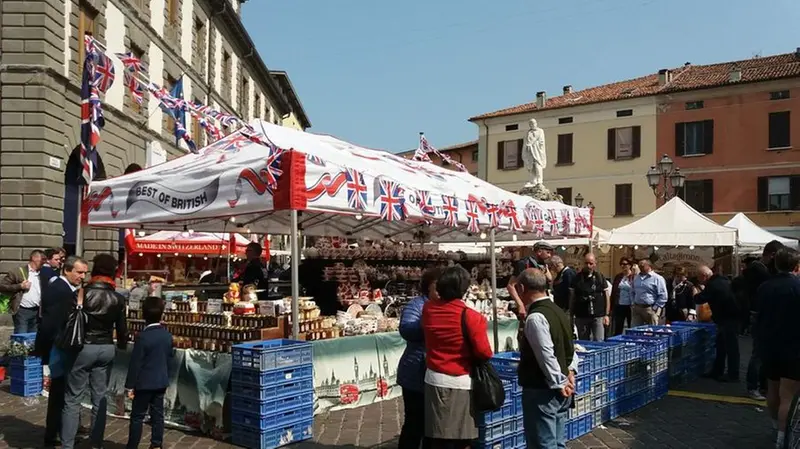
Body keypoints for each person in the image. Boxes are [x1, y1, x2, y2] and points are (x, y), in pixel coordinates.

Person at [61, 254, 129, 449]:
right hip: (106, 347)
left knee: (73, 398)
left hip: (84, 347)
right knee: (100, 397)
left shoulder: (81, 293)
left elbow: (67, 321)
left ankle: (67, 444)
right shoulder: (117, 298)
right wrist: (122, 345)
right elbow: (122, 330)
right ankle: (96, 443)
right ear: (113, 273)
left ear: (94, 270)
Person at [421, 265, 493, 448]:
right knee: (460, 439)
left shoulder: (428, 309)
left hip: (433, 379)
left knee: (436, 436)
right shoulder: (471, 316)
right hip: (460, 380)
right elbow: (484, 352)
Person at [517, 268, 578, 449]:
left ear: (522, 288)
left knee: (543, 443)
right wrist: (570, 373)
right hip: (560, 384)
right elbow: (571, 347)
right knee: (557, 442)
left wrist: (560, 382)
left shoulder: (536, 317)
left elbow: (545, 355)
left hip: (542, 389)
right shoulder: (558, 311)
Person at [35, 256, 88, 447]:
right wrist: (47, 348)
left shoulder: (61, 287)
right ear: (67, 270)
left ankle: (57, 431)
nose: (82, 276)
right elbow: (50, 323)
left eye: (84, 272)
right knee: (60, 392)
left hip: (58, 345)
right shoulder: (61, 290)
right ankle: (55, 434)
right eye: (79, 272)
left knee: (62, 392)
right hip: (60, 347)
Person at [756, 247, 800, 449]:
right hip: (793, 346)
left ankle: (776, 428)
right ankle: (783, 437)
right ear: (796, 266)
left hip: (769, 345)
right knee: (788, 395)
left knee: (773, 389)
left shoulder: (764, 287)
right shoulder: (797, 286)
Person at [397, 267, 440, 449]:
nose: (439, 292)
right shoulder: (417, 305)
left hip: (438, 371)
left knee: (434, 424)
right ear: (427, 288)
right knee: (414, 422)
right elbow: (406, 329)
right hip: (415, 370)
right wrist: (428, 324)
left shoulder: (447, 304)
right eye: (436, 287)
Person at [125, 296, 173, 449]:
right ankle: (157, 444)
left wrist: (130, 385)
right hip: (160, 381)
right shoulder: (167, 335)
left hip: (144, 383)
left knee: (137, 416)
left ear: (143, 315)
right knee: (158, 415)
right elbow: (169, 358)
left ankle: (132, 445)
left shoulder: (143, 337)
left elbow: (135, 363)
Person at [745, 240, 784, 401]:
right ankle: (753, 386)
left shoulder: (761, 270)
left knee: (763, 353)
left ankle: (762, 385)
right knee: (758, 354)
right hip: (760, 315)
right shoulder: (759, 270)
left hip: (761, 314)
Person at [695, 265, 740, 382]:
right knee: (722, 345)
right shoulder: (723, 280)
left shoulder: (713, 285)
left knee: (730, 347)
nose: (698, 280)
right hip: (729, 317)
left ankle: (732, 374)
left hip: (727, 318)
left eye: (698, 278)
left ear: (704, 276)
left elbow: (701, 298)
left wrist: (694, 295)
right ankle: (718, 370)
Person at [0, 249, 45, 333]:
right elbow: (2, 287)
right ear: (34, 258)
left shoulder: (43, 273)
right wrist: (20, 286)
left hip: (37, 311)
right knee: (21, 336)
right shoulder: (17, 272)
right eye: (42, 259)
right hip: (22, 310)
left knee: (32, 338)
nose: (44, 261)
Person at [507, 241, 554, 319]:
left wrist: (545, 269)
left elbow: (549, 279)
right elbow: (510, 285)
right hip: (528, 302)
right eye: (548, 252)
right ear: (539, 252)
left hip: (541, 300)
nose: (549, 256)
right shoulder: (524, 263)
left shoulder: (543, 264)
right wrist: (520, 304)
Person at [569, 253, 609, 341]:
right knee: (583, 342)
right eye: (586, 263)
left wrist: (606, 315)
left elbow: (607, 296)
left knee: (599, 340)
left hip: (598, 315)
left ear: (595, 263)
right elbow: (572, 298)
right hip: (581, 315)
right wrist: (571, 315)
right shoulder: (577, 278)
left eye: (591, 263)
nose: (588, 266)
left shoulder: (600, 277)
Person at [631, 259, 668, 326]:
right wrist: (633, 303)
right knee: (635, 331)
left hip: (650, 308)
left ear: (649, 266)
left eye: (642, 265)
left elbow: (663, 295)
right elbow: (632, 291)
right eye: (639, 266)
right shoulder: (636, 277)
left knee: (651, 331)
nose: (640, 267)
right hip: (637, 308)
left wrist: (656, 307)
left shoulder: (658, 278)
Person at [611, 258, 636, 336]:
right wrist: (612, 306)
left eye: (625, 264)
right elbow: (613, 291)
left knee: (631, 325)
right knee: (618, 326)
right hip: (619, 305)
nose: (622, 266)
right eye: (621, 264)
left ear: (630, 265)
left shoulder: (634, 277)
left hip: (630, 305)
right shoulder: (618, 276)